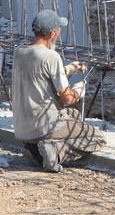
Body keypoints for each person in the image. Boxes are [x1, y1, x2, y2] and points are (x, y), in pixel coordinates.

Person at [12, 9, 106, 172]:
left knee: (75, 116)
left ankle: (33, 149)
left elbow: (39, 74)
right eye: (59, 30)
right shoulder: (51, 56)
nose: (59, 33)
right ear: (52, 33)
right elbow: (67, 99)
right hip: (45, 126)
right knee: (96, 138)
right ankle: (55, 151)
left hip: (23, 127)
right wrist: (78, 91)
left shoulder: (19, 52)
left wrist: (67, 70)